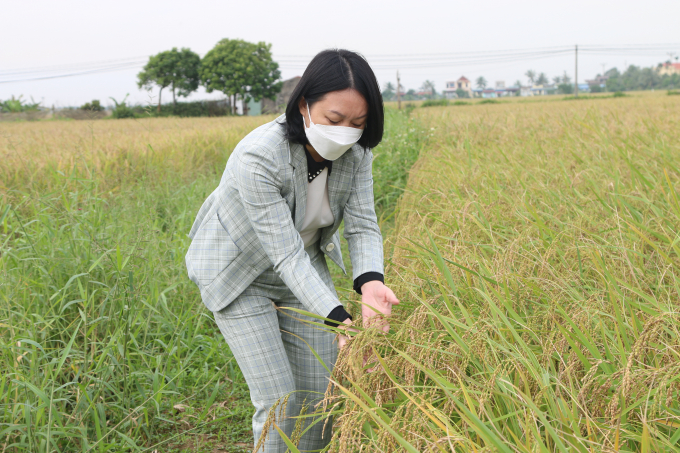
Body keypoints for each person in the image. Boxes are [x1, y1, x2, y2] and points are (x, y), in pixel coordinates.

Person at [184, 49, 399, 452]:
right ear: (304, 104)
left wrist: (370, 283)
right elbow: (284, 254)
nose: (345, 132)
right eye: (335, 120)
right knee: (280, 401)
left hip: (303, 271)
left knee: (324, 396)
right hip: (239, 275)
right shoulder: (259, 155)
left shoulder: (357, 154)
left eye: (358, 123)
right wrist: (340, 319)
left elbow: (364, 224)